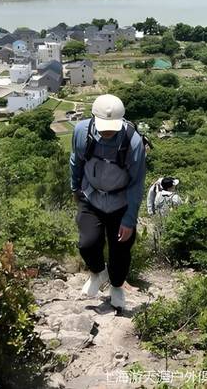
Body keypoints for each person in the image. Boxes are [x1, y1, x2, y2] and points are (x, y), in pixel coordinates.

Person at [69, 94, 146, 310]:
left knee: (120, 250)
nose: (108, 132)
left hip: (121, 202)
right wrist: (75, 188)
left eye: (112, 127)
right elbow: (76, 161)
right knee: (87, 244)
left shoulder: (132, 142)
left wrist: (129, 220)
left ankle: (117, 286)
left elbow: (137, 183)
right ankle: (98, 273)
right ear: (94, 118)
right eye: (104, 127)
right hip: (91, 195)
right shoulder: (82, 132)